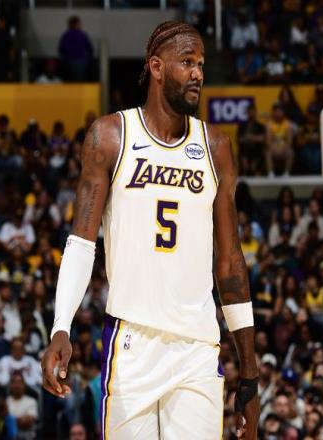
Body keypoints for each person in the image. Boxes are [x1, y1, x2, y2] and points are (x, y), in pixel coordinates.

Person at [41, 20, 259, 440]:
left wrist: (249, 374)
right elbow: (82, 243)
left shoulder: (216, 148)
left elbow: (230, 263)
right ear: (156, 67)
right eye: (187, 62)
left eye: (201, 64)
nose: (197, 73)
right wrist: (61, 325)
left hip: (197, 346)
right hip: (132, 343)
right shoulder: (110, 136)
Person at [59, 16, 93, 82]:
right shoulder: (81, 35)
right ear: (75, 24)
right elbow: (89, 47)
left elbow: (61, 49)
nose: (80, 25)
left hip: (73, 61)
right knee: (79, 80)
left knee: (72, 80)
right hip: (78, 61)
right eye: (79, 23)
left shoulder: (67, 35)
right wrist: (88, 58)